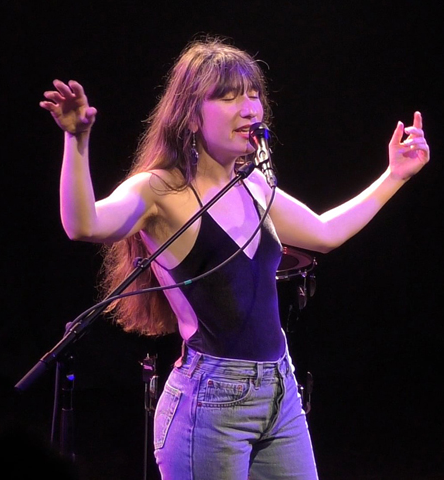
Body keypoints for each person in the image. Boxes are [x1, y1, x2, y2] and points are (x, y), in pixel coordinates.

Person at [39, 35, 429, 480]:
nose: (250, 109)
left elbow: (324, 232)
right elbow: (83, 225)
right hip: (210, 402)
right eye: (229, 97)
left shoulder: (254, 186)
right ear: (189, 115)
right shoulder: (160, 190)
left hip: (279, 392)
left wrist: (394, 176)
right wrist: (77, 140)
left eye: (253, 94)